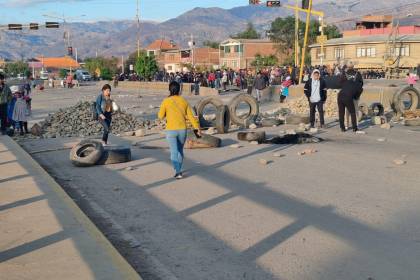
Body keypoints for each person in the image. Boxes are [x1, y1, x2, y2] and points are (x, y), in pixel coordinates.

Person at [158, 81, 201, 179]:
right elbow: (191, 116)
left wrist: (166, 114)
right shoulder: (183, 101)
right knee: (180, 151)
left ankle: (178, 171)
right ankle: (179, 170)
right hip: (182, 129)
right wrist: (196, 128)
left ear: (169, 89)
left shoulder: (166, 101)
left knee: (173, 152)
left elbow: (160, 116)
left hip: (171, 130)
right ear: (179, 90)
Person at [338, 62, 363, 132]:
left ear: (347, 67)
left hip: (342, 94)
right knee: (354, 111)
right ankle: (355, 126)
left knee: (343, 112)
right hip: (353, 94)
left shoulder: (344, 74)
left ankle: (344, 126)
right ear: (353, 67)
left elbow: (340, 83)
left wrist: (346, 87)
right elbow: (361, 84)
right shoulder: (358, 74)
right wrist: (356, 96)